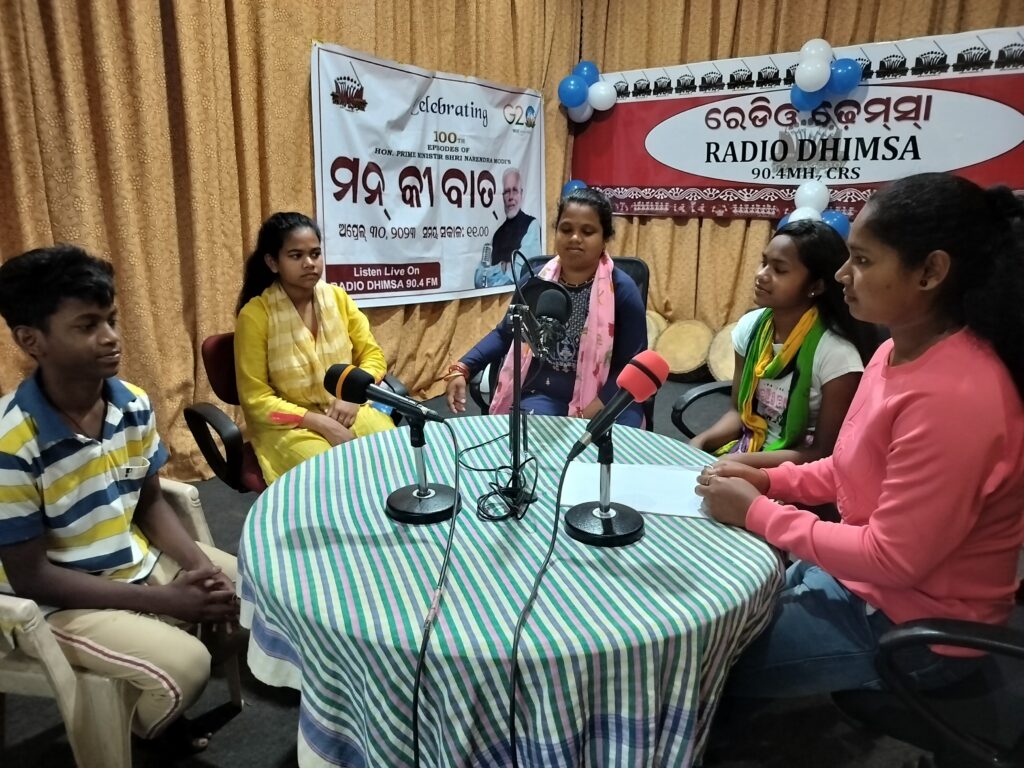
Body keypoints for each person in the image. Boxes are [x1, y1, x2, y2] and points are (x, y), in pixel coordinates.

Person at [696, 173, 1024, 697]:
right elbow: (847, 466)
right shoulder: (893, 352)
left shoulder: (959, 399)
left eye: (864, 261)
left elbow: (894, 559)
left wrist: (758, 513)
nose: (845, 274)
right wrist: (770, 484)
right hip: (863, 583)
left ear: (930, 272)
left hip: (914, 626)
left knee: (704, 663)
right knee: (719, 607)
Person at [0, 245, 240, 752]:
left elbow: (149, 504)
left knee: (251, 587)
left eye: (111, 319)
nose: (111, 338)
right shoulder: (11, 441)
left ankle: (146, 696)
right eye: (87, 326)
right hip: (52, 603)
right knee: (188, 670)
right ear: (31, 340)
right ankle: (135, 730)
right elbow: (31, 576)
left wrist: (200, 566)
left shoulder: (130, 402)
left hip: (131, 561)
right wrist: (162, 600)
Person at [448, 187, 647, 425]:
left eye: (587, 231)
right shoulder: (535, 285)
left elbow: (633, 364)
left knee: (611, 454)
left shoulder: (622, 290)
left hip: (608, 396)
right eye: (566, 229)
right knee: (526, 450)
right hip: (544, 392)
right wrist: (464, 367)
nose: (574, 238)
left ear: (605, 238)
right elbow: (506, 333)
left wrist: (591, 412)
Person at [690, 220, 876, 469]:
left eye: (779, 270)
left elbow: (823, 451)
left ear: (816, 286)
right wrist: (699, 443)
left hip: (799, 471)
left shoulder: (836, 354)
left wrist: (742, 462)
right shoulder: (751, 327)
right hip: (748, 448)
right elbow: (738, 412)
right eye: (763, 262)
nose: (761, 275)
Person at [235, 212, 394, 484]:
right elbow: (256, 400)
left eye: (315, 253)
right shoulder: (255, 315)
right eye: (296, 256)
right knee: (330, 474)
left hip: (345, 407)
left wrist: (352, 396)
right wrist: (320, 423)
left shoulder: (338, 298)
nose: (310, 264)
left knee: (393, 450)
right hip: (289, 423)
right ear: (273, 262)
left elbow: (373, 356)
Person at [473, 167, 542, 288]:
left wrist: (492, 275)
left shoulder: (531, 225)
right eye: (506, 191)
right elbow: (479, 279)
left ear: (521, 194)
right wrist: (502, 267)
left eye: (514, 190)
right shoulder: (496, 235)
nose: (510, 197)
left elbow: (521, 272)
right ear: (503, 196)